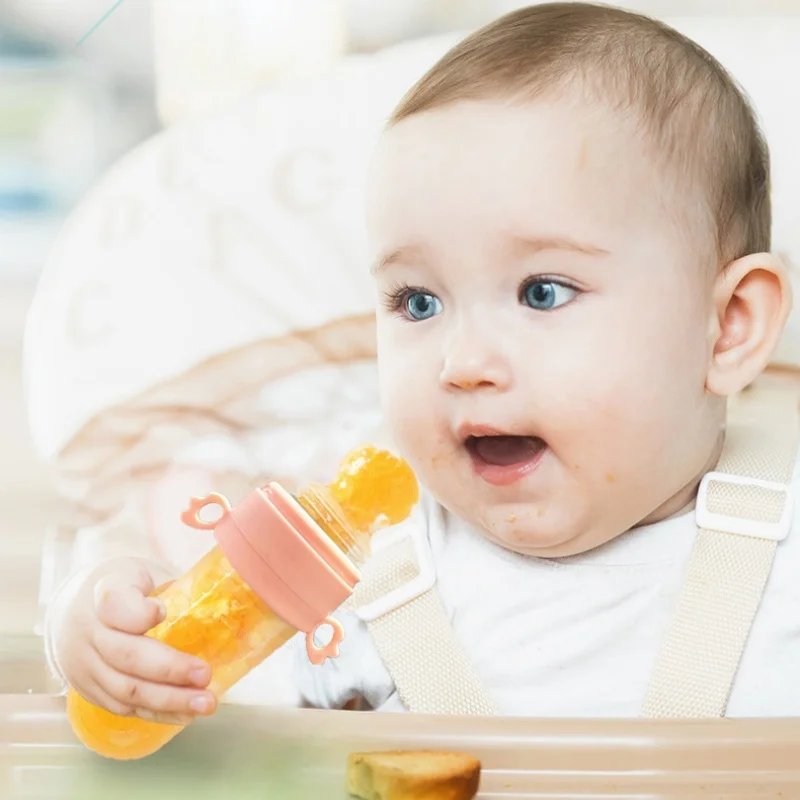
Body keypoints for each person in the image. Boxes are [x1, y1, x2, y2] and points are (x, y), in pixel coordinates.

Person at [46, 2, 800, 724]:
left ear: (729, 326)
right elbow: (191, 687)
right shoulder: (348, 575)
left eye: (542, 292)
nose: (463, 362)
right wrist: (108, 638)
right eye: (417, 303)